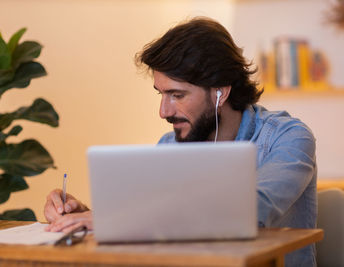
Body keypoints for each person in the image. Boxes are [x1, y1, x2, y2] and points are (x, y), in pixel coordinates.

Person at [44, 17, 317, 267]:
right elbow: (146, 222)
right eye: (161, 94)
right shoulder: (170, 147)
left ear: (220, 92)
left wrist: (119, 220)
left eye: (177, 95)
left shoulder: (288, 138)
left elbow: (249, 211)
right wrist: (83, 218)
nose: (164, 112)